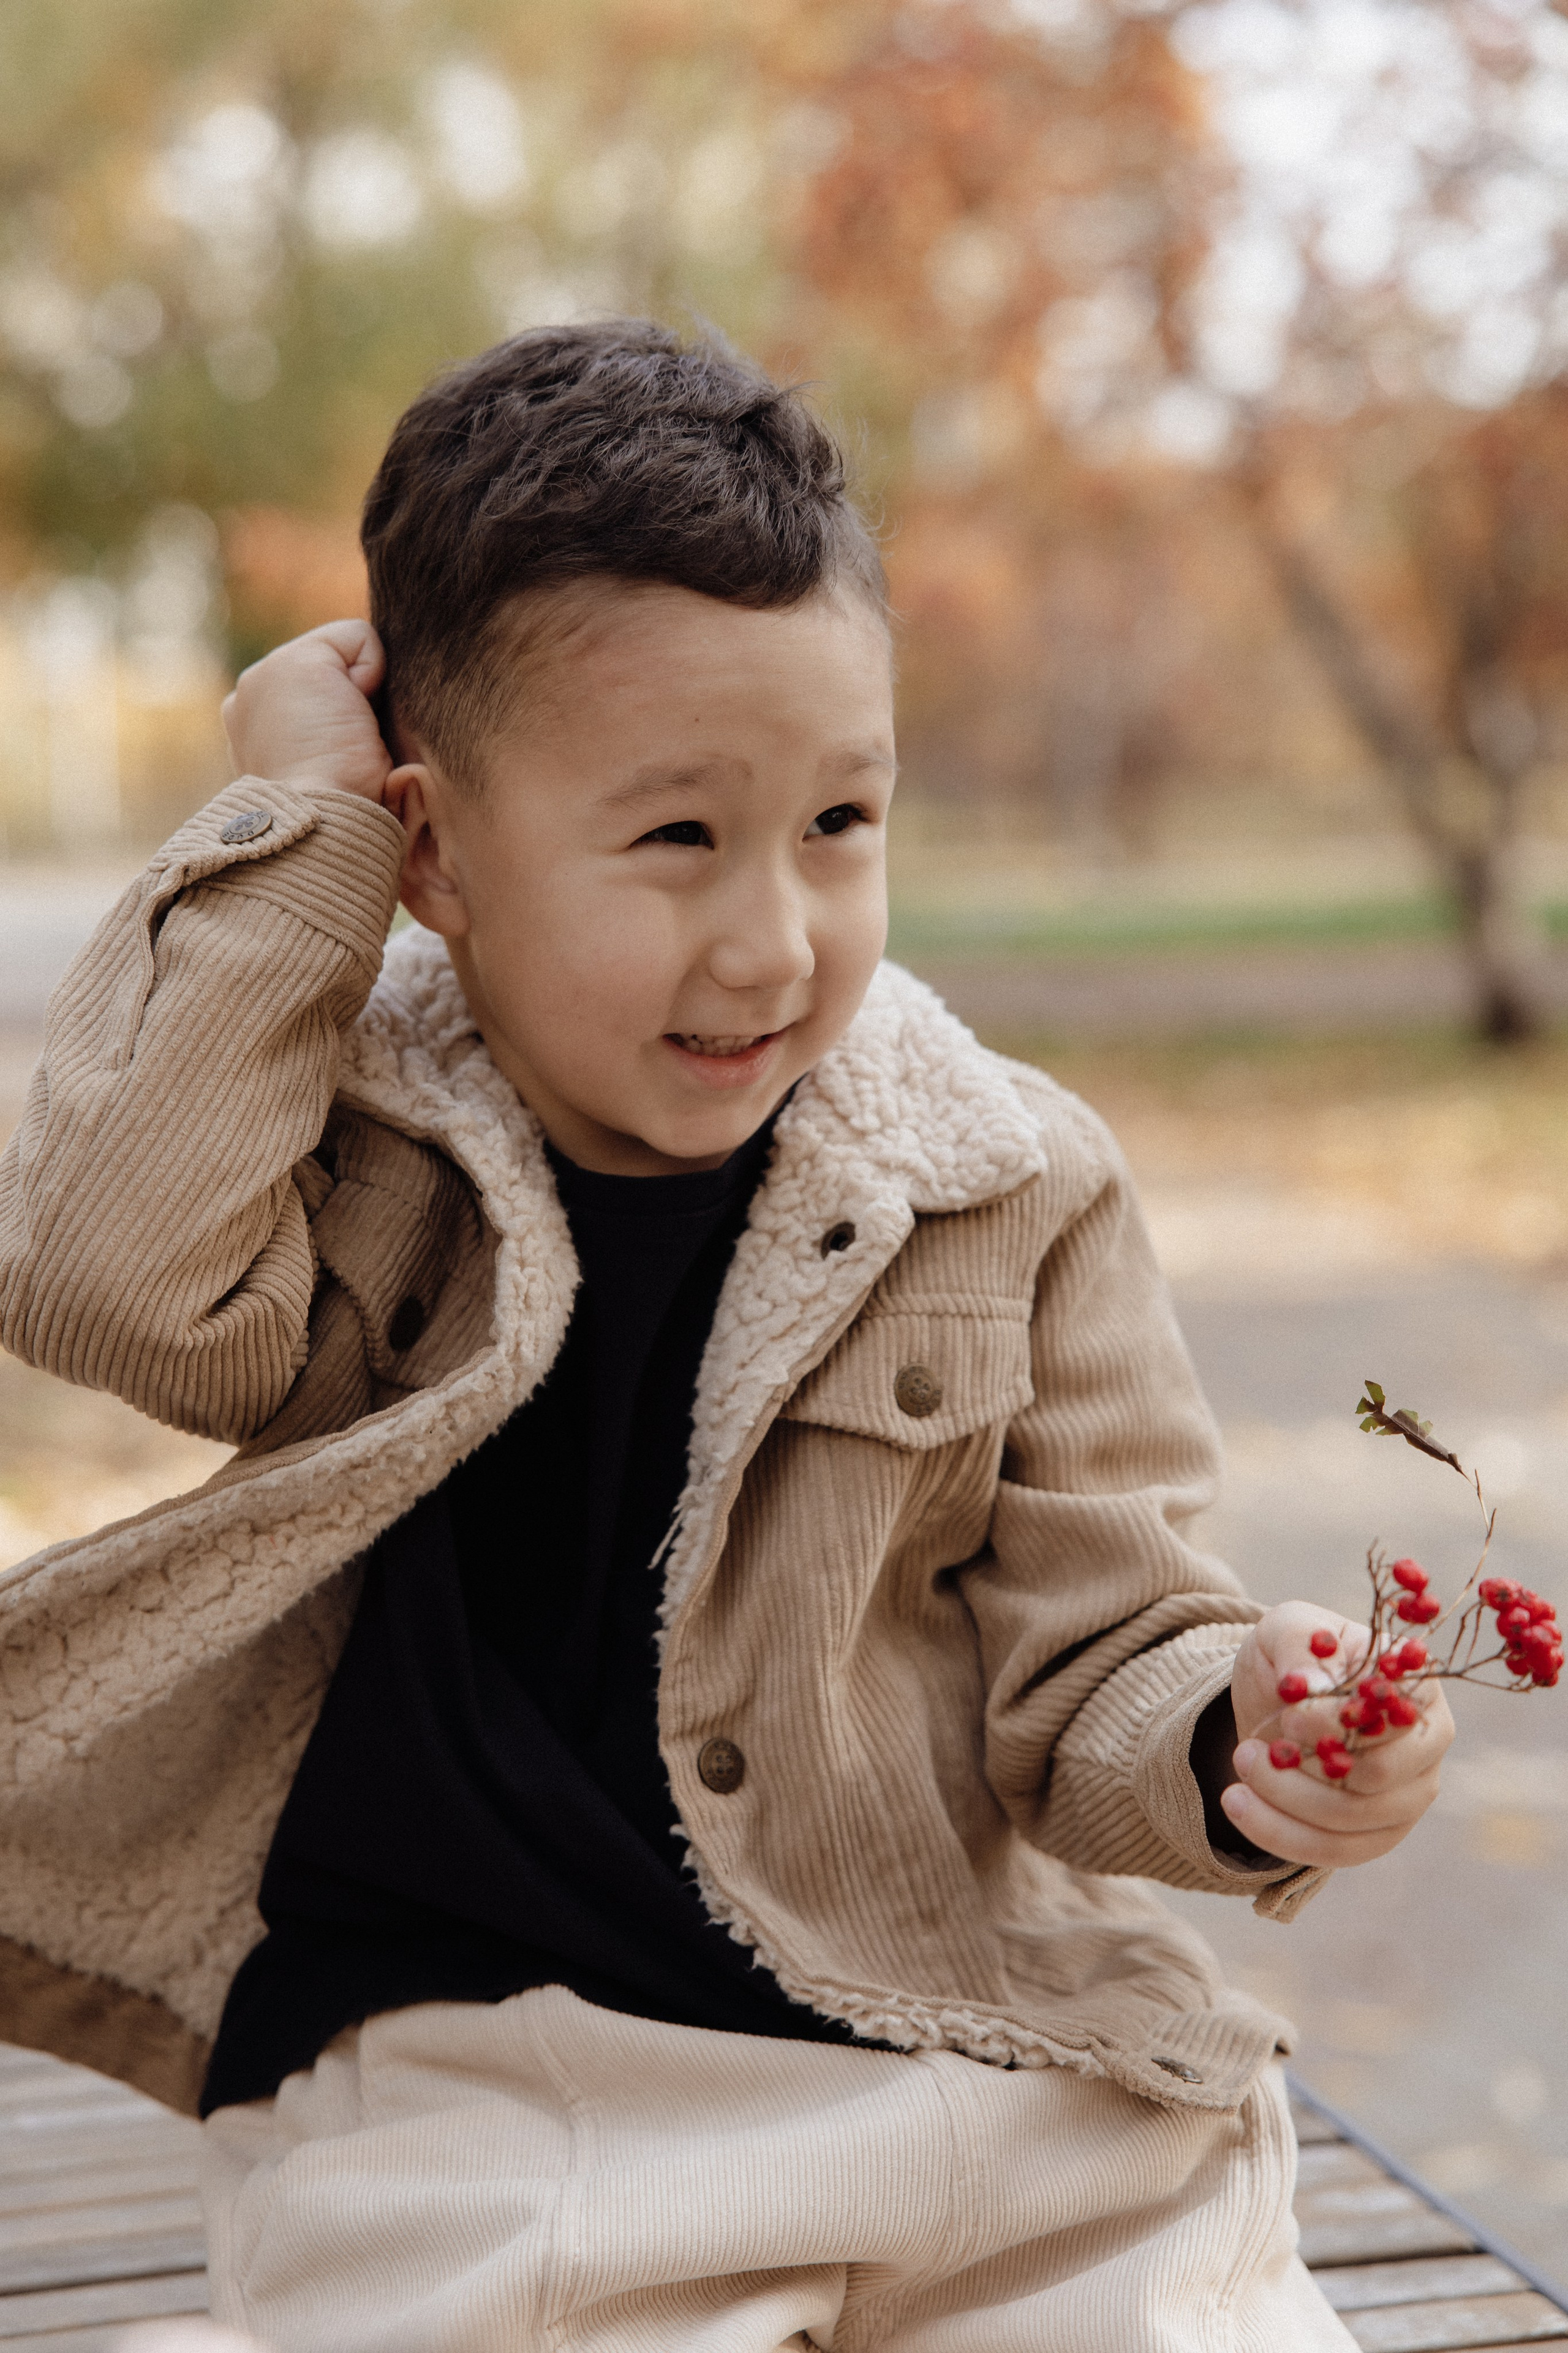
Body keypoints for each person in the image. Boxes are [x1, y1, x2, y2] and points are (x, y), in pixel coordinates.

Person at [0, 321, 1453, 2353]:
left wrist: (1236, 1745)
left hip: (952, 2034)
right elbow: (103, 1279)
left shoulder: (1009, 1181)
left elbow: (1102, 1653)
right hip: (493, 2080)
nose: (773, 937)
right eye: (677, 837)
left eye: (840, 824)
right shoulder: (359, 1155)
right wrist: (295, 839)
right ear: (435, 850)